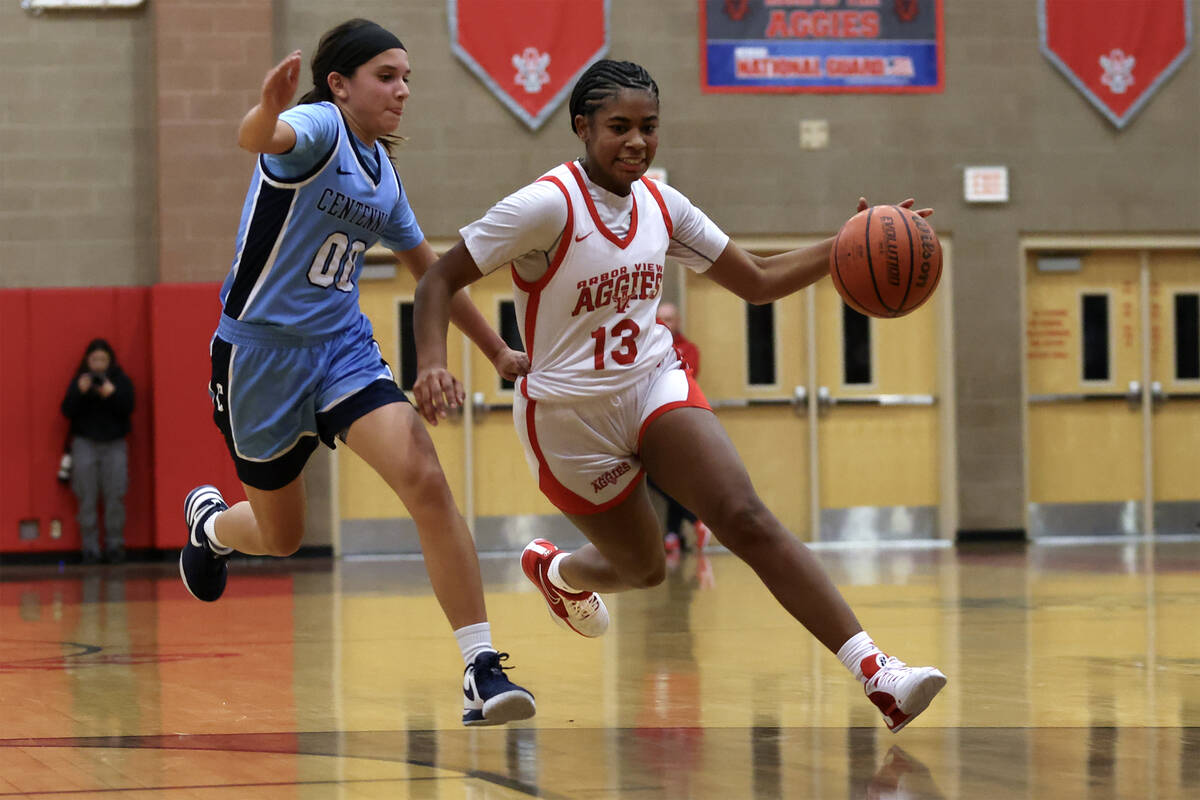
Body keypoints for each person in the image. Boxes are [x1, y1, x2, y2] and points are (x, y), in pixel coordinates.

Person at [413, 59, 946, 733]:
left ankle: (879, 674)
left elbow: (755, 280)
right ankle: (562, 573)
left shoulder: (664, 206)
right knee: (643, 571)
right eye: (619, 127)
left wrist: (847, 243)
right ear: (581, 127)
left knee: (744, 515)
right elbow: (437, 280)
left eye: (649, 127)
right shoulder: (546, 205)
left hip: (651, 385)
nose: (636, 141)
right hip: (568, 420)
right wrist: (436, 362)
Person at [179, 19, 535, 727]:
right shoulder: (314, 128)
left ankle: (481, 666)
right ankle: (214, 528)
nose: (402, 90)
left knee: (425, 476)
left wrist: (497, 351)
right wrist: (267, 108)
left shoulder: (382, 174)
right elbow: (258, 138)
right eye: (386, 76)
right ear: (340, 85)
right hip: (258, 359)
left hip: (341, 348)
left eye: (407, 77)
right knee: (281, 536)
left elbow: (430, 272)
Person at [60, 338, 135, 564]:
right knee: (86, 498)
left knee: (115, 496)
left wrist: (111, 394)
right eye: (94, 359)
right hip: (85, 444)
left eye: (103, 359)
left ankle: (114, 546)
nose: (99, 365)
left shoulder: (120, 381)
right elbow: (66, 410)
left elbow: (129, 408)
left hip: (114, 445)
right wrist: (79, 392)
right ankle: (89, 548)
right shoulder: (80, 381)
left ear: (110, 361)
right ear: (87, 360)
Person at [649, 302, 711, 555]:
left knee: (667, 478)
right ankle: (676, 533)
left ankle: (689, 523)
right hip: (654, 422)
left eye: (670, 319)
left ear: (679, 321)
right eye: (661, 319)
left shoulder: (689, 349)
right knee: (661, 479)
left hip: (678, 421)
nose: (666, 323)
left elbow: (684, 378)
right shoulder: (649, 349)